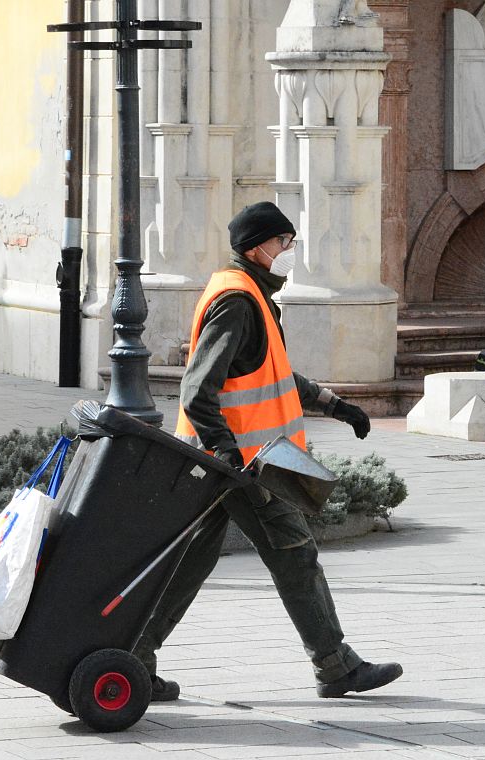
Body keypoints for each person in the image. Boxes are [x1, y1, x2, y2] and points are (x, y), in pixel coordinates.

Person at [132, 201, 403, 701]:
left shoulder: (251, 294)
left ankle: (132, 657)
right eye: (284, 243)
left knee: (192, 561)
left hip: (226, 463)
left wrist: (335, 404)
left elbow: (271, 373)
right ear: (259, 246)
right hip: (242, 466)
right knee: (295, 555)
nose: (288, 252)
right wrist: (227, 453)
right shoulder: (237, 301)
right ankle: (336, 665)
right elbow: (197, 391)